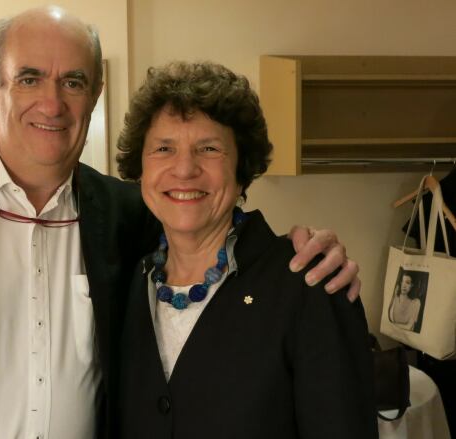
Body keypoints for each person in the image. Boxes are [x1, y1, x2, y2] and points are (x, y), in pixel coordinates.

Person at [0, 7, 361, 439]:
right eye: (29, 78)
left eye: (74, 81)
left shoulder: (129, 216)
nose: (52, 102)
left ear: (95, 94)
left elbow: (210, 231)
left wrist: (312, 247)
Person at [116, 61, 376, 438]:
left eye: (208, 148)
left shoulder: (309, 286)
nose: (184, 169)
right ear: (140, 169)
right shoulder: (126, 283)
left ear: (242, 171)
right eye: (163, 148)